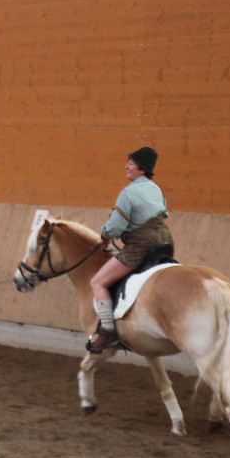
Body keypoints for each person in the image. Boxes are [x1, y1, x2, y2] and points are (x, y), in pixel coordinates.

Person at [86, 146, 174, 353]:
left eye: (131, 163)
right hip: (165, 241)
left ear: (141, 169)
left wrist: (105, 235)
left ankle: (107, 331)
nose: (126, 166)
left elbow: (116, 225)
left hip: (140, 245)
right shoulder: (156, 188)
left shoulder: (128, 194)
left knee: (97, 282)